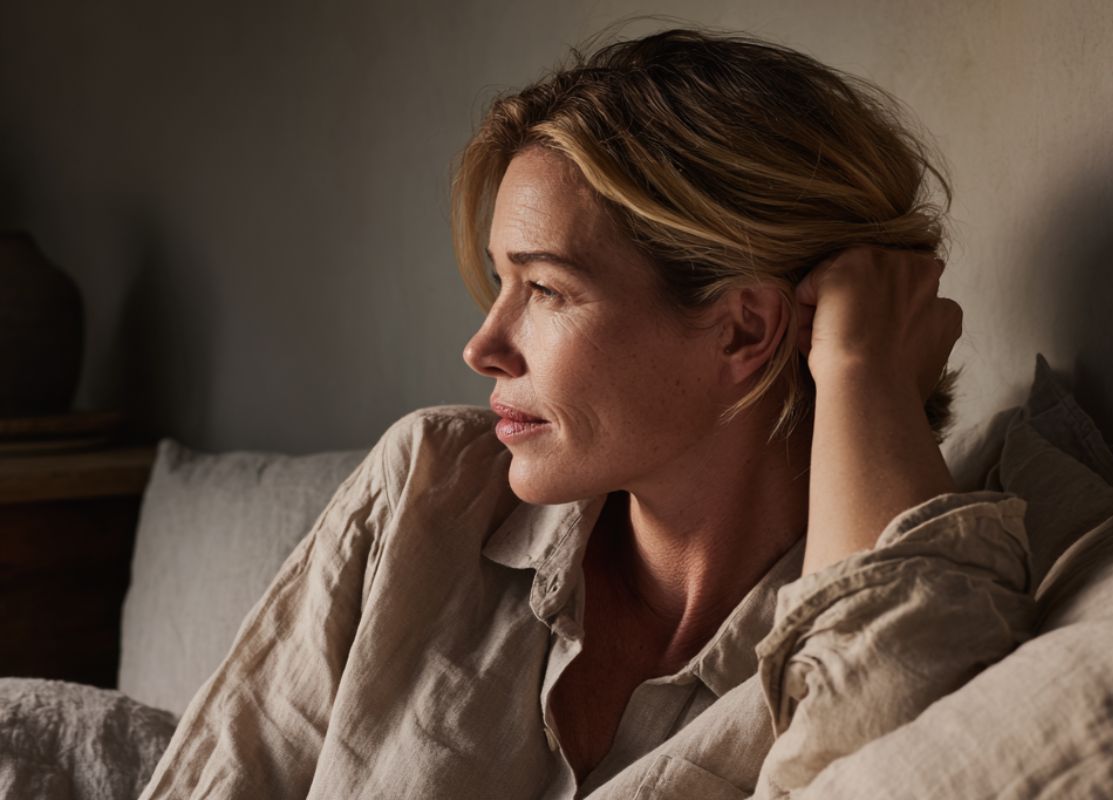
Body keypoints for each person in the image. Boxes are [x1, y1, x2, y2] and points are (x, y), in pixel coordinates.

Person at [139, 26, 1034, 799]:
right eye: (502, 283)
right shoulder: (428, 493)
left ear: (744, 330)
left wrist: (858, 366)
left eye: (546, 288)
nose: (483, 346)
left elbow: (880, 758)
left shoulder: (904, 598)